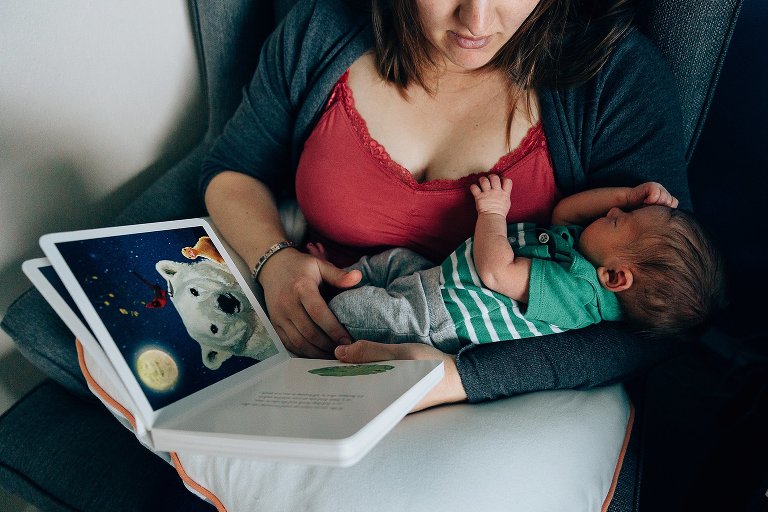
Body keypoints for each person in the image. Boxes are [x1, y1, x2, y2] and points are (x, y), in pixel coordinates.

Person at [201, 0, 692, 410]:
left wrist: (461, 378)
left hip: (494, 394)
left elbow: (662, 320)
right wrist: (274, 259)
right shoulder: (322, 27)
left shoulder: (616, 75)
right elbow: (232, 170)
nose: (476, 21)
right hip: (320, 349)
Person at [317, 177, 723, 352]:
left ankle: (323, 308)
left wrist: (492, 212)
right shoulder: (586, 256)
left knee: (353, 314)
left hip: (435, 318)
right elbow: (566, 210)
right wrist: (632, 195)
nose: (613, 209)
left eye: (618, 220)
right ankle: (336, 278)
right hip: (438, 278)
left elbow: (496, 272)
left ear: (615, 277)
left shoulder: (577, 297)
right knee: (389, 263)